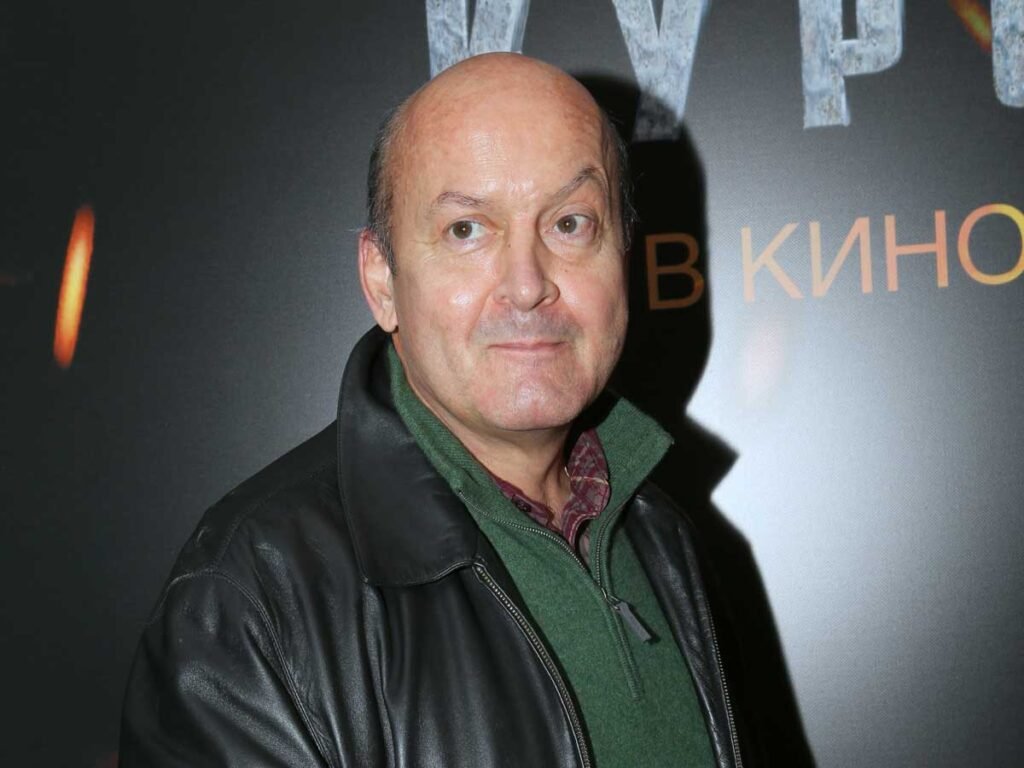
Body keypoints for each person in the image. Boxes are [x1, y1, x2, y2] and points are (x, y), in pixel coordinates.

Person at [120, 53, 743, 767]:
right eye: (466, 230)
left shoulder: (662, 534)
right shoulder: (248, 599)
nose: (527, 285)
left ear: (623, 257)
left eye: (570, 224)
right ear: (382, 281)